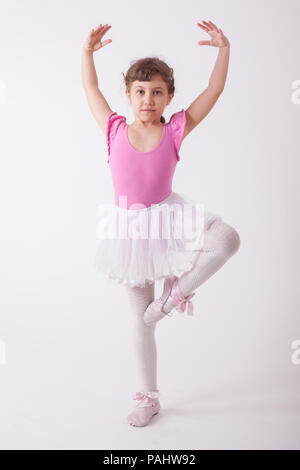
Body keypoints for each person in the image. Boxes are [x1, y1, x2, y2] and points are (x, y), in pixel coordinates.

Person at [81, 20, 240, 427]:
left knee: (226, 239)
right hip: (130, 232)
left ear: (169, 96)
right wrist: (87, 55)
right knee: (140, 322)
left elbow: (214, 92)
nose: (147, 99)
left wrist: (223, 50)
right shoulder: (114, 128)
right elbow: (91, 91)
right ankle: (148, 397)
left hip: (169, 216)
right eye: (140, 92)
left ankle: (173, 297)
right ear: (129, 96)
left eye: (156, 92)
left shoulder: (174, 130)